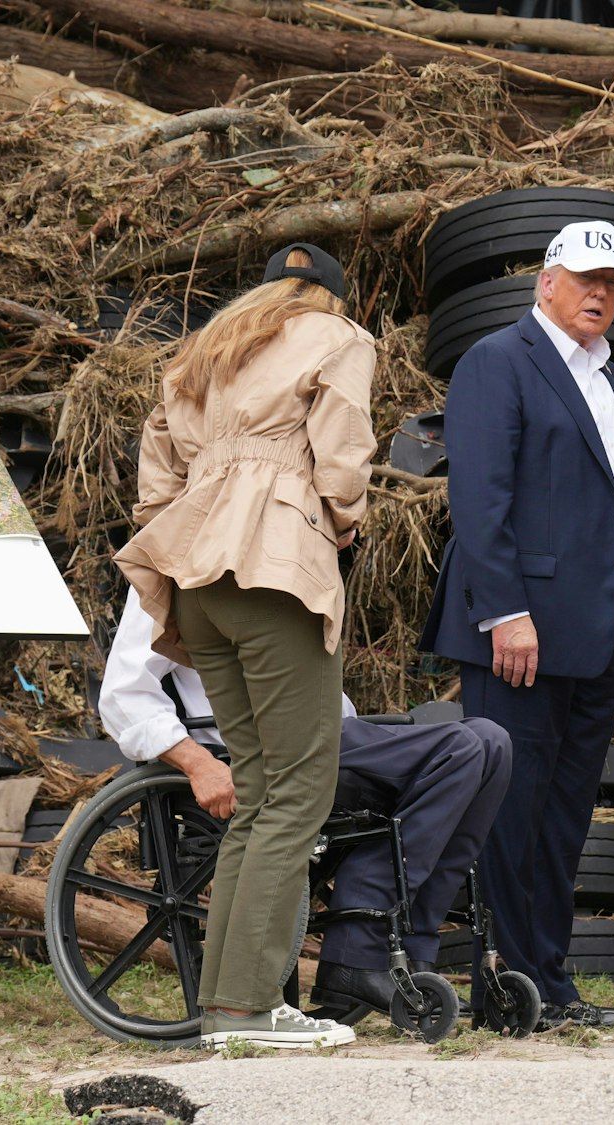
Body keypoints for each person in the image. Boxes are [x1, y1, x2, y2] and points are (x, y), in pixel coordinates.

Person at [114, 243, 376, 1049]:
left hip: (195, 583)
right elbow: (342, 460)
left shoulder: (200, 354)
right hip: (271, 569)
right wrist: (336, 528)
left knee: (260, 796)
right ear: (325, 298)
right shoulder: (340, 338)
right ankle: (250, 1011)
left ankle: (229, 1008)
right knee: (298, 792)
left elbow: (154, 484)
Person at [420, 221, 614, 1032]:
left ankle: (548, 983)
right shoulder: (499, 361)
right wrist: (506, 611)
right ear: (547, 281)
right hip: (521, 631)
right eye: (587, 277)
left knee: (564, 816)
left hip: (593, 630)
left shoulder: (605, 374)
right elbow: (480, 502)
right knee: (512, 809)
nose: (601, 293)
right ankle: (507, 984)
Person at [98, 588, 512, 1017]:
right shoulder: (183, 555)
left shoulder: (294, 552)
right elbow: (123, 694)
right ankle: (358, 949)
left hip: (327, 734)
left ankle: (412, 950)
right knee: (460, 748)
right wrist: (198, 764)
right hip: (260, 748)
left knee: (492, 742)